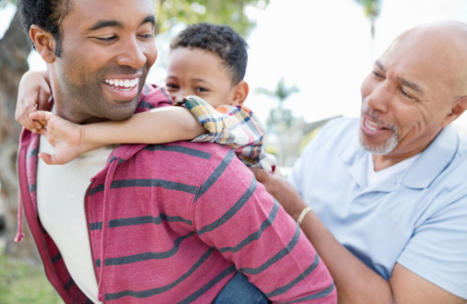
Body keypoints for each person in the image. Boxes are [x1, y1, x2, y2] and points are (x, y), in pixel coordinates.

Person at [16, 0, 336, 304]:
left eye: (145, 34)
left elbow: (312, 293)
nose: (138, 57)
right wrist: (34, 76)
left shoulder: (200, 166)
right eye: (108, 36)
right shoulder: (37, 130)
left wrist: (86, 134)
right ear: (44, 43)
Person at [253, 21, 467, 303]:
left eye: (406, 92)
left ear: (453, 111)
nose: (374, 99)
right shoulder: (333, 135)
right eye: (378, 74)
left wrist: (298, 213)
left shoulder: (458, 193)